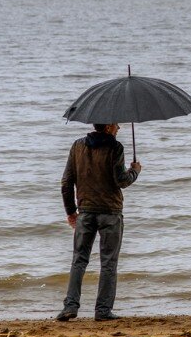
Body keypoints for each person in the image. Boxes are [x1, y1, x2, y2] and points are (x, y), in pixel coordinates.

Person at [57, 123, 142, 321]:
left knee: (79, 260)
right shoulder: (115, 147)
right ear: (109, 126)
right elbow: (121, 181)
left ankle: (70, 306)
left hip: (85, 212)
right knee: (109, 262)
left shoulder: (78, 145)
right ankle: (103, 310)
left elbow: (66, 182)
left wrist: (71, 211)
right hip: (110, 213)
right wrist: (135, 171)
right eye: (117, 125)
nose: (119, 128)